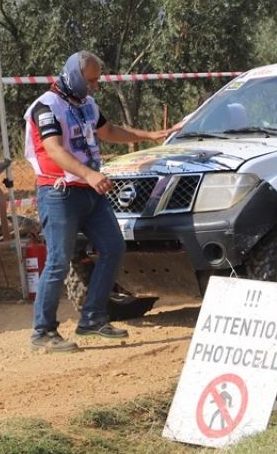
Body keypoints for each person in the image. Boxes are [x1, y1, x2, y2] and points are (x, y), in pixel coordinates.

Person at [23, 51, 176, 353]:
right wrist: (89, 174)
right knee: (58, 260)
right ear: (73, 76)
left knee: (114, 247)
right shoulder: (46, 107)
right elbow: (54, 150)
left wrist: (150, 135)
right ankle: (43, 332)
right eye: (90, 80)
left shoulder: (86, 103)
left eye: (96, 80)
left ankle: (92, 318)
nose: (95, 86)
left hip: (91, 191)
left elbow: (108, 131)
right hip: (59, 192)